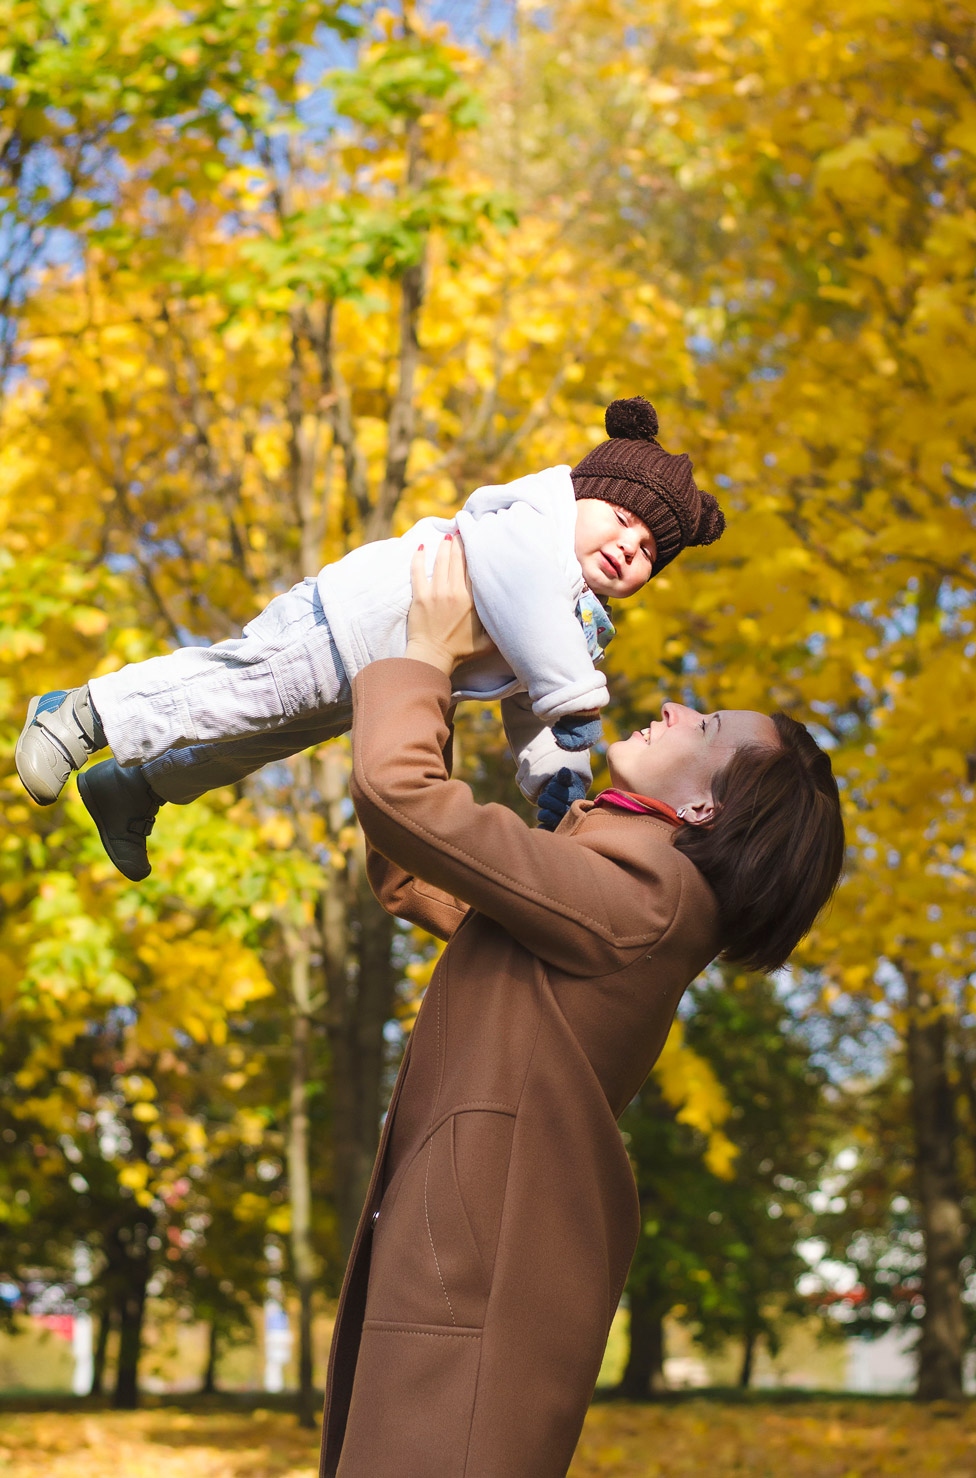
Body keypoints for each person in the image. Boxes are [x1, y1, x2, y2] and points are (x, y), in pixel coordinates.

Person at [319, 536, 845, 1477]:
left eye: (709, 725)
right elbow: (414, 873)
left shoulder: (646, 899)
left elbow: (403, 797)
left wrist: (424, 657)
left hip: (476, 1285)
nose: (678, 706)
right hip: (464, 1272)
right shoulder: (620, 884)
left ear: (703, 812)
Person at [14, 397, 724, 881]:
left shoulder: (571, 627)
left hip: (382, 679)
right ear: (579, 496)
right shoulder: (530, 525)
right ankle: (82, 713)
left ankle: (135, 786)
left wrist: (555, 778)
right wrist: (572, 696)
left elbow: (529, 701)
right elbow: (534, 630)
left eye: (647, 551)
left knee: (254, 737)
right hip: (347, 622)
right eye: (620, 519)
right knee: (236, 689)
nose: (630, 546)